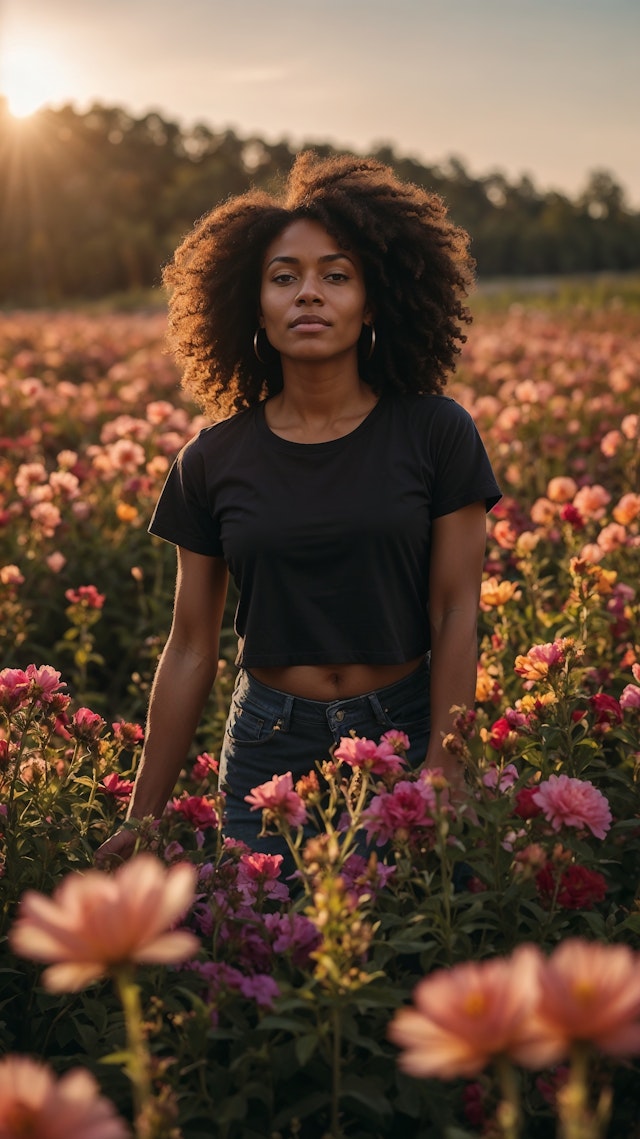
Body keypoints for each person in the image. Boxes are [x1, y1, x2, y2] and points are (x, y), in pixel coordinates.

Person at [95, 151, 501, 870]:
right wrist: (142, 816)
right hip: (268, 751)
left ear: (372, 302)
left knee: (403, 961)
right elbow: (190, 645)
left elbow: (455, 610)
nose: (308, 293)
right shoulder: (212, 459)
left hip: (402, 733)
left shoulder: (437, 432)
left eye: (335, 275)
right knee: (268, 958)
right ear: (253, 305)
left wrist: (448, 759)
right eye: (284, 278)